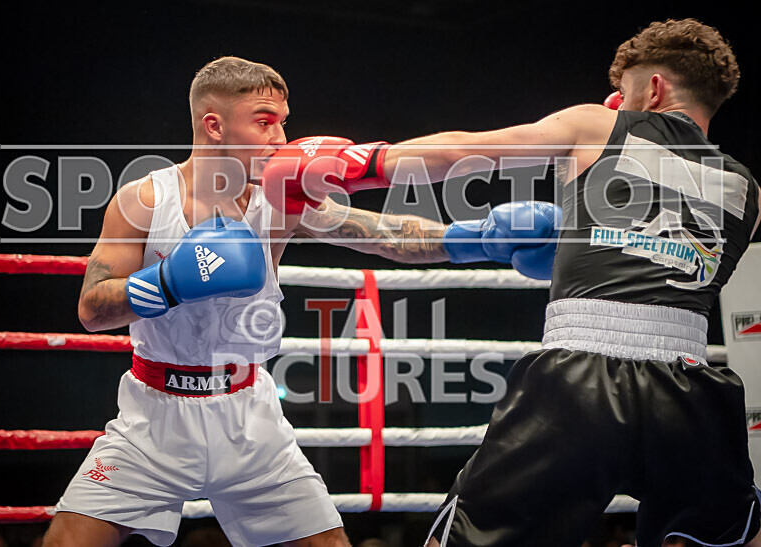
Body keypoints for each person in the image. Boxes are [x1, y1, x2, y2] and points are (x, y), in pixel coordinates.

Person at [264, 18, 761, 547]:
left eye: (626, 89)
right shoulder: (749, 193)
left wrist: (364, 162)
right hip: (692, 396)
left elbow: (463, 152)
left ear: (654, 88)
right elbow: (661, 264)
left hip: (583, 381)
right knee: (730, 537)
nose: (615, 101)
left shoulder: (598, 125)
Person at [41, 56, 558, 547]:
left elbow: (383, 233)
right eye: (264, 122)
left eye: (283, 123)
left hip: (249, 415)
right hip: (153, 416)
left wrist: (477, 239)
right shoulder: (145, 200)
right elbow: (92, 308)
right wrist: (171, 281)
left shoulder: (281, 196)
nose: (280, 139)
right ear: (214, 125)